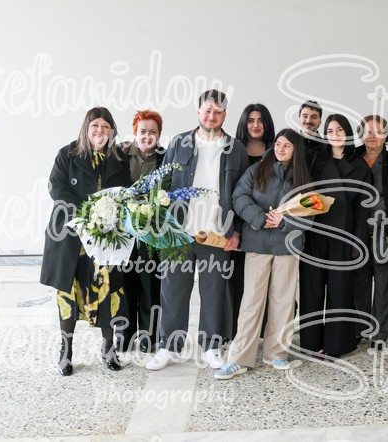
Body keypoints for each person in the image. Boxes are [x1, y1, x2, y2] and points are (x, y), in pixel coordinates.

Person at [146, 90, 249, 371]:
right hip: (178, 232)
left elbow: (242, 192)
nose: (211, 116)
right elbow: (163, 185)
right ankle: (169, 347)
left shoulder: (235, 149)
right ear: (198, 111)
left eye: (217, 111)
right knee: (172, 290)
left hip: (216, 233)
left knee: (214, 292)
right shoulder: (179, 143)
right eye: (207, 110)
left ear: (225, 115)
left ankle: (211, 347)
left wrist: (237, 231)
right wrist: (161, 223)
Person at [40, 107, 132, 376]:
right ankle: (66, 351)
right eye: (95, 126)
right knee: (68, 295)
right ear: (86, 128)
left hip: (106, 239)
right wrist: (87, 212)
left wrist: (110, 215)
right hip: (71, 238)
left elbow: (126, 193)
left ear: (111, 131)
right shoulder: (67, 154)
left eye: (105, 126)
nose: (100, 131)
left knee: (108, 293)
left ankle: (109, 349)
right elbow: (57, 187)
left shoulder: (119, 159)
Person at [215, 129, 312, 379]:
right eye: (278, 144)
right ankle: (239, 359)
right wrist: (259, 218)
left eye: (287, 145)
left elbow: (310, 215)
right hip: (257, 244)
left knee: (283, 301)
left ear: (296, 150)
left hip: (287, 246)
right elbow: (238, 196)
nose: (280, 149)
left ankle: (276, 353)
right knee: (251, 302)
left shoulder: (303, 178)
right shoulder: (257, 169)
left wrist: (283, 222)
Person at [299, 114, 373, 359]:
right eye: (330, 131)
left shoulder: (359, 166)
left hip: (344, 235)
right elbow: (301, 193)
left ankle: (336, 344)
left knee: (340, 292)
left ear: (348, 133)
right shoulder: (313, 159)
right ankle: (310, 343)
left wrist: (358, 242)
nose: (335, 135)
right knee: (311, 289)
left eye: (340, 130)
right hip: (315, 232)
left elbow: (363, 210)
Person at [353, 115, 388, 349]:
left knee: (384, 282)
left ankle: (380, 334)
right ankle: (359, 330)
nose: (372, 136)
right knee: (359, 281)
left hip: (385, 232)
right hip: (356, 231)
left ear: (386, 135)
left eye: (378, 131)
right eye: (368, 131)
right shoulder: (352, 158)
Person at [116, 110, 165, 353]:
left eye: (153, 132)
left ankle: (149, 336)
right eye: (143, 131)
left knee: (150, 284)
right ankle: (124, 334)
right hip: (123, 231)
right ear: (135, 132)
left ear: (159, 134)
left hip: (151, 231)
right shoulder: (120, 154)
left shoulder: (165, 158)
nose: (147, 136)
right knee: (124, 284)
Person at [229, 103, 276, 338]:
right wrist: (235, 227)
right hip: (237, 224)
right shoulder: (233, 151)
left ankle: (266, 332)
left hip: (268, 227)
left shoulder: (277, 150)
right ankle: (238, 333)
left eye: (260, 120)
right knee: (238, 282)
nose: (256, 125)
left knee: (268, 284)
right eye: (250, 120)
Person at [298, 100, 325, 171]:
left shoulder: (327, 148)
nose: (308, 121)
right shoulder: (290, 144)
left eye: (313, 117)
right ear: (299, 119)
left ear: (320, 121)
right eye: (305, 116)